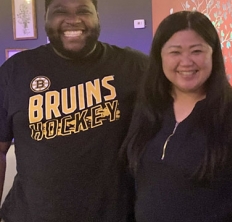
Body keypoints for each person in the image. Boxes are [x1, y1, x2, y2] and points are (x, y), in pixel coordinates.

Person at [0, 0, 148, 221]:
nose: (73, 19)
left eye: (83, 11)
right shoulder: (15, 71)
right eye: (60, 11)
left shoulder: (135, 67)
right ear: (45, 19)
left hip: (114, 214)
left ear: (97, 16)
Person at [120, 10, 232, 222]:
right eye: (175, 52)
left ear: (213, 54)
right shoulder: (146, 106)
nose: (186, 62)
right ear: (160, 56)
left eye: (196, 51)